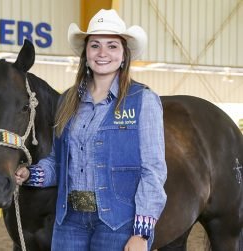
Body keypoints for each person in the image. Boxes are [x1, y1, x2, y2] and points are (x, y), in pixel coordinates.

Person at [16, 9, 167, 251]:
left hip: (118, 223)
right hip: (69, 222)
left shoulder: (143, 100)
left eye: (112, 46)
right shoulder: (67, 101)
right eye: (95, 45)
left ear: (124, 55)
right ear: (86, 54)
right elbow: (57, 162)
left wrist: (142, 233)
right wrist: (30, 175)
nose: (103, 53)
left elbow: (153, 170)